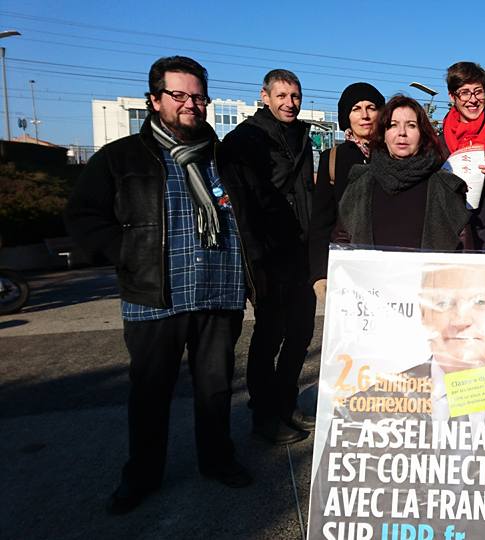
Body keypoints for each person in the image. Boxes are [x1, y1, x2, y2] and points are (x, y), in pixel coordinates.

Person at [65, 56, 299, 514]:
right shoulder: (121, 158)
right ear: (155, 100)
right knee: (150, 392)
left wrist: (261, 262)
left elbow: (259, 212)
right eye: (179, 95)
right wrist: (127, 252)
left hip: (219, 293)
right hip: (155, 297)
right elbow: (83, 217)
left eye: (198, 96)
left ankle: (217, 459)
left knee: (215, 389)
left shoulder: (226, 158)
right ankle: (142, 474)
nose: (190, 104)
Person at [311, 263, 485, 539]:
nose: (460, 320)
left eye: (480, 302)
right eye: (442, 303)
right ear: (423, 312)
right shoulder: (360, 410)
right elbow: (327, 520)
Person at [222, 69, 315, 445]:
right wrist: (253, 259)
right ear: (264, 96)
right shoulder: (245, 139)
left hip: (300, 252)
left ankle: (286, 402)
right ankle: (263, 414)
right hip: (267, 254)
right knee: (269, 336)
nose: (289, 103)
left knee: (301, 332)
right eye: (281, 96)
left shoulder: (303, 135)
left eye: (295, 96)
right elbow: (240, 204)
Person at [336, 95, 471, 250]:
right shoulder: (360, 184)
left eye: (411, 125)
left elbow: (465, 251)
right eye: (393, 125)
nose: (402, 133)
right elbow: (341, 242)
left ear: (422, 134)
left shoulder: (446, 188)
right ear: (383, 135)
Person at [308, 82, 384, 293]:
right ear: (346, 117)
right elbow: (322, 220)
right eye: (356, 109)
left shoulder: (394, 153)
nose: (365, 115)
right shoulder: (333, 158)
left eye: (371, 108)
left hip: (387, 259)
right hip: (348, 262)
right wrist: (320, 273)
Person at [440, 62, 485, 250]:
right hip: (450, 238)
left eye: (478, 92)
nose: (473, 100)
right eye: (464, 93)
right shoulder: (438, 144)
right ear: (452, 96)